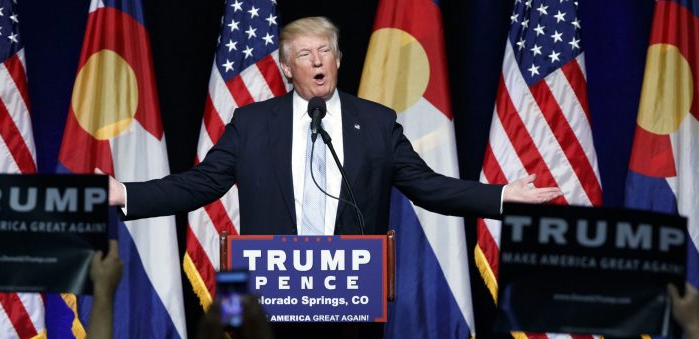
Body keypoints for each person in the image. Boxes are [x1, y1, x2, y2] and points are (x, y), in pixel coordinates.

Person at [106, 16, 561, 234]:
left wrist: (502, 195)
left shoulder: (377, 123)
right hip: (275, 295)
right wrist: (126, 193)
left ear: (339, 60)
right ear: (287, 69)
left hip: (352, 297)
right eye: (304, 54)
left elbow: (428, 187)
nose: (317, 61)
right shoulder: (252, 124)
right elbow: (200, 185)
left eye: (325, 51)